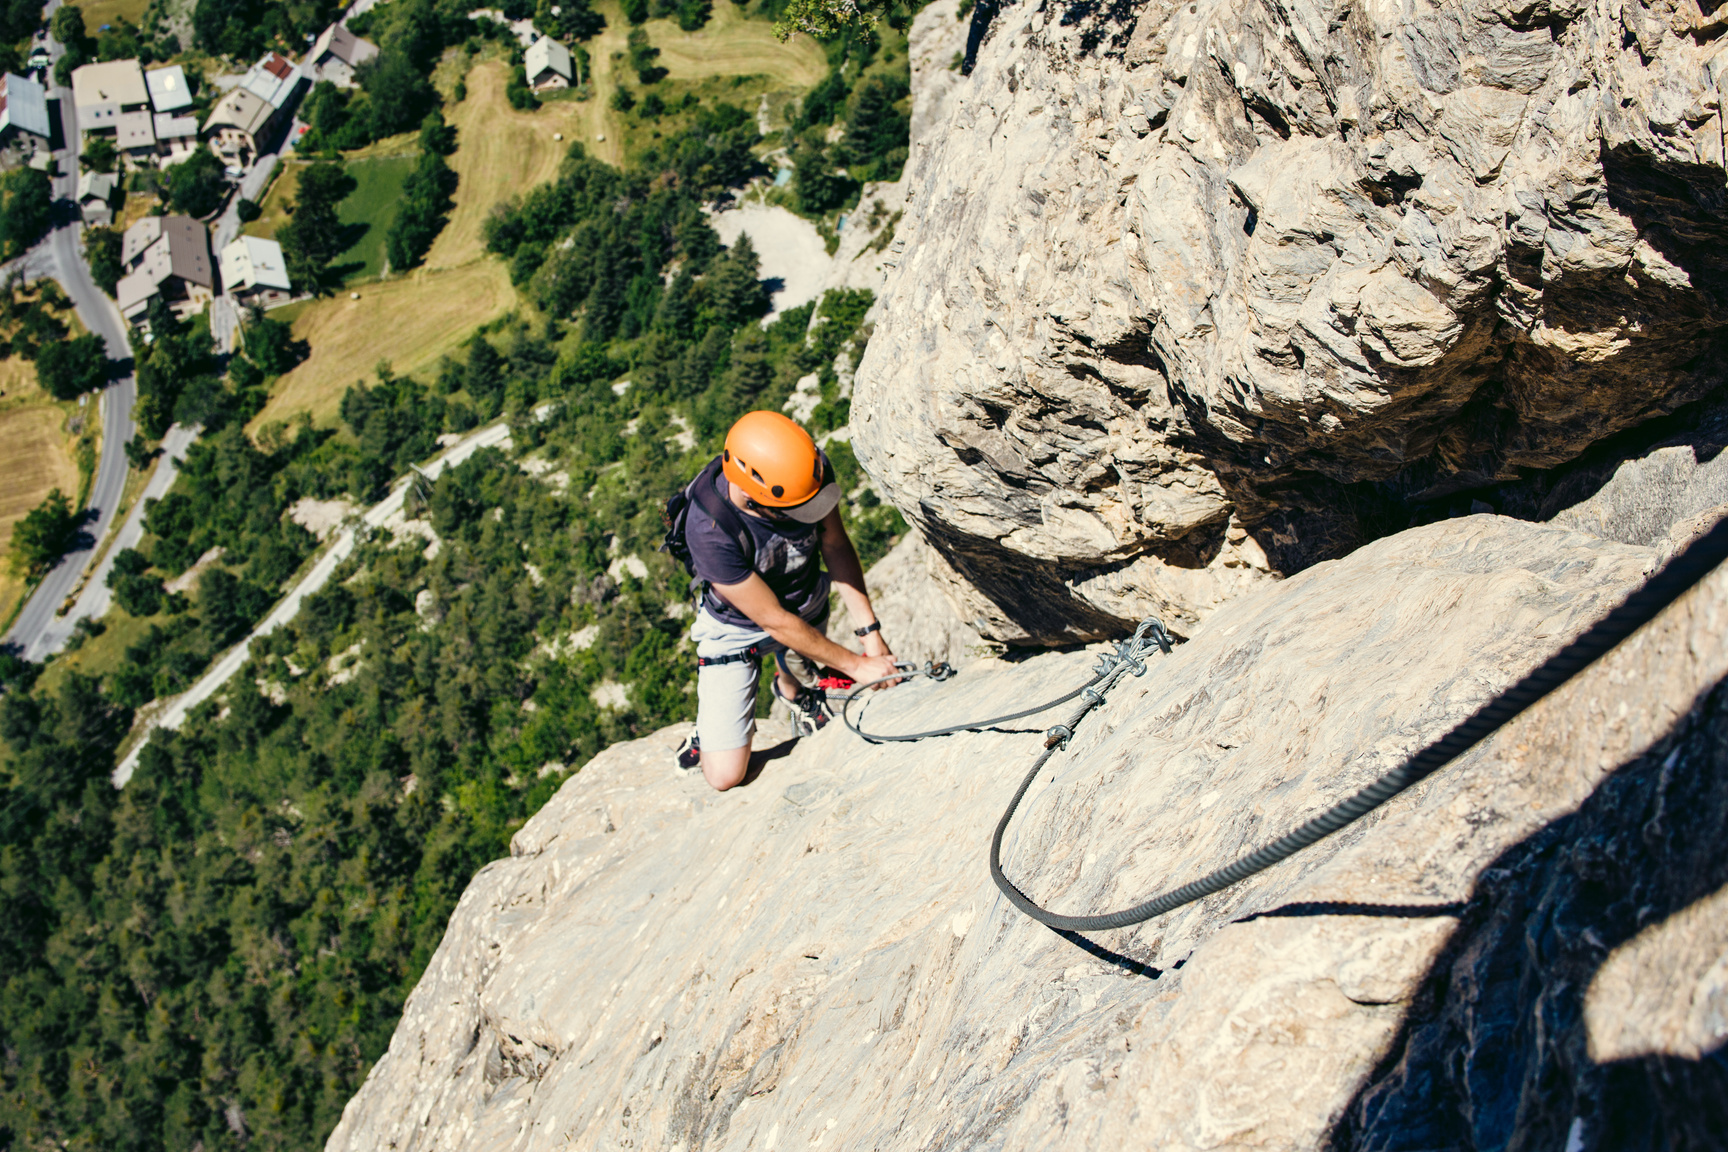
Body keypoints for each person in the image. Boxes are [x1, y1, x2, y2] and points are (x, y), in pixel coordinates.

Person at [678, 411, 901, 791]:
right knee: (725, 776)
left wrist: (870, 635)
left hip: (803, 596)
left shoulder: (805, 478)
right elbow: (773, 621)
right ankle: (711, 727)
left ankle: (791, 691)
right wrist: (856, 667)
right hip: (737, 627)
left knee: (799, 671)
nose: (806, 515)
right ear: (750, 493)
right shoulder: (709, 527)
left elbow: (835, 544)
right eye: (793, 511)